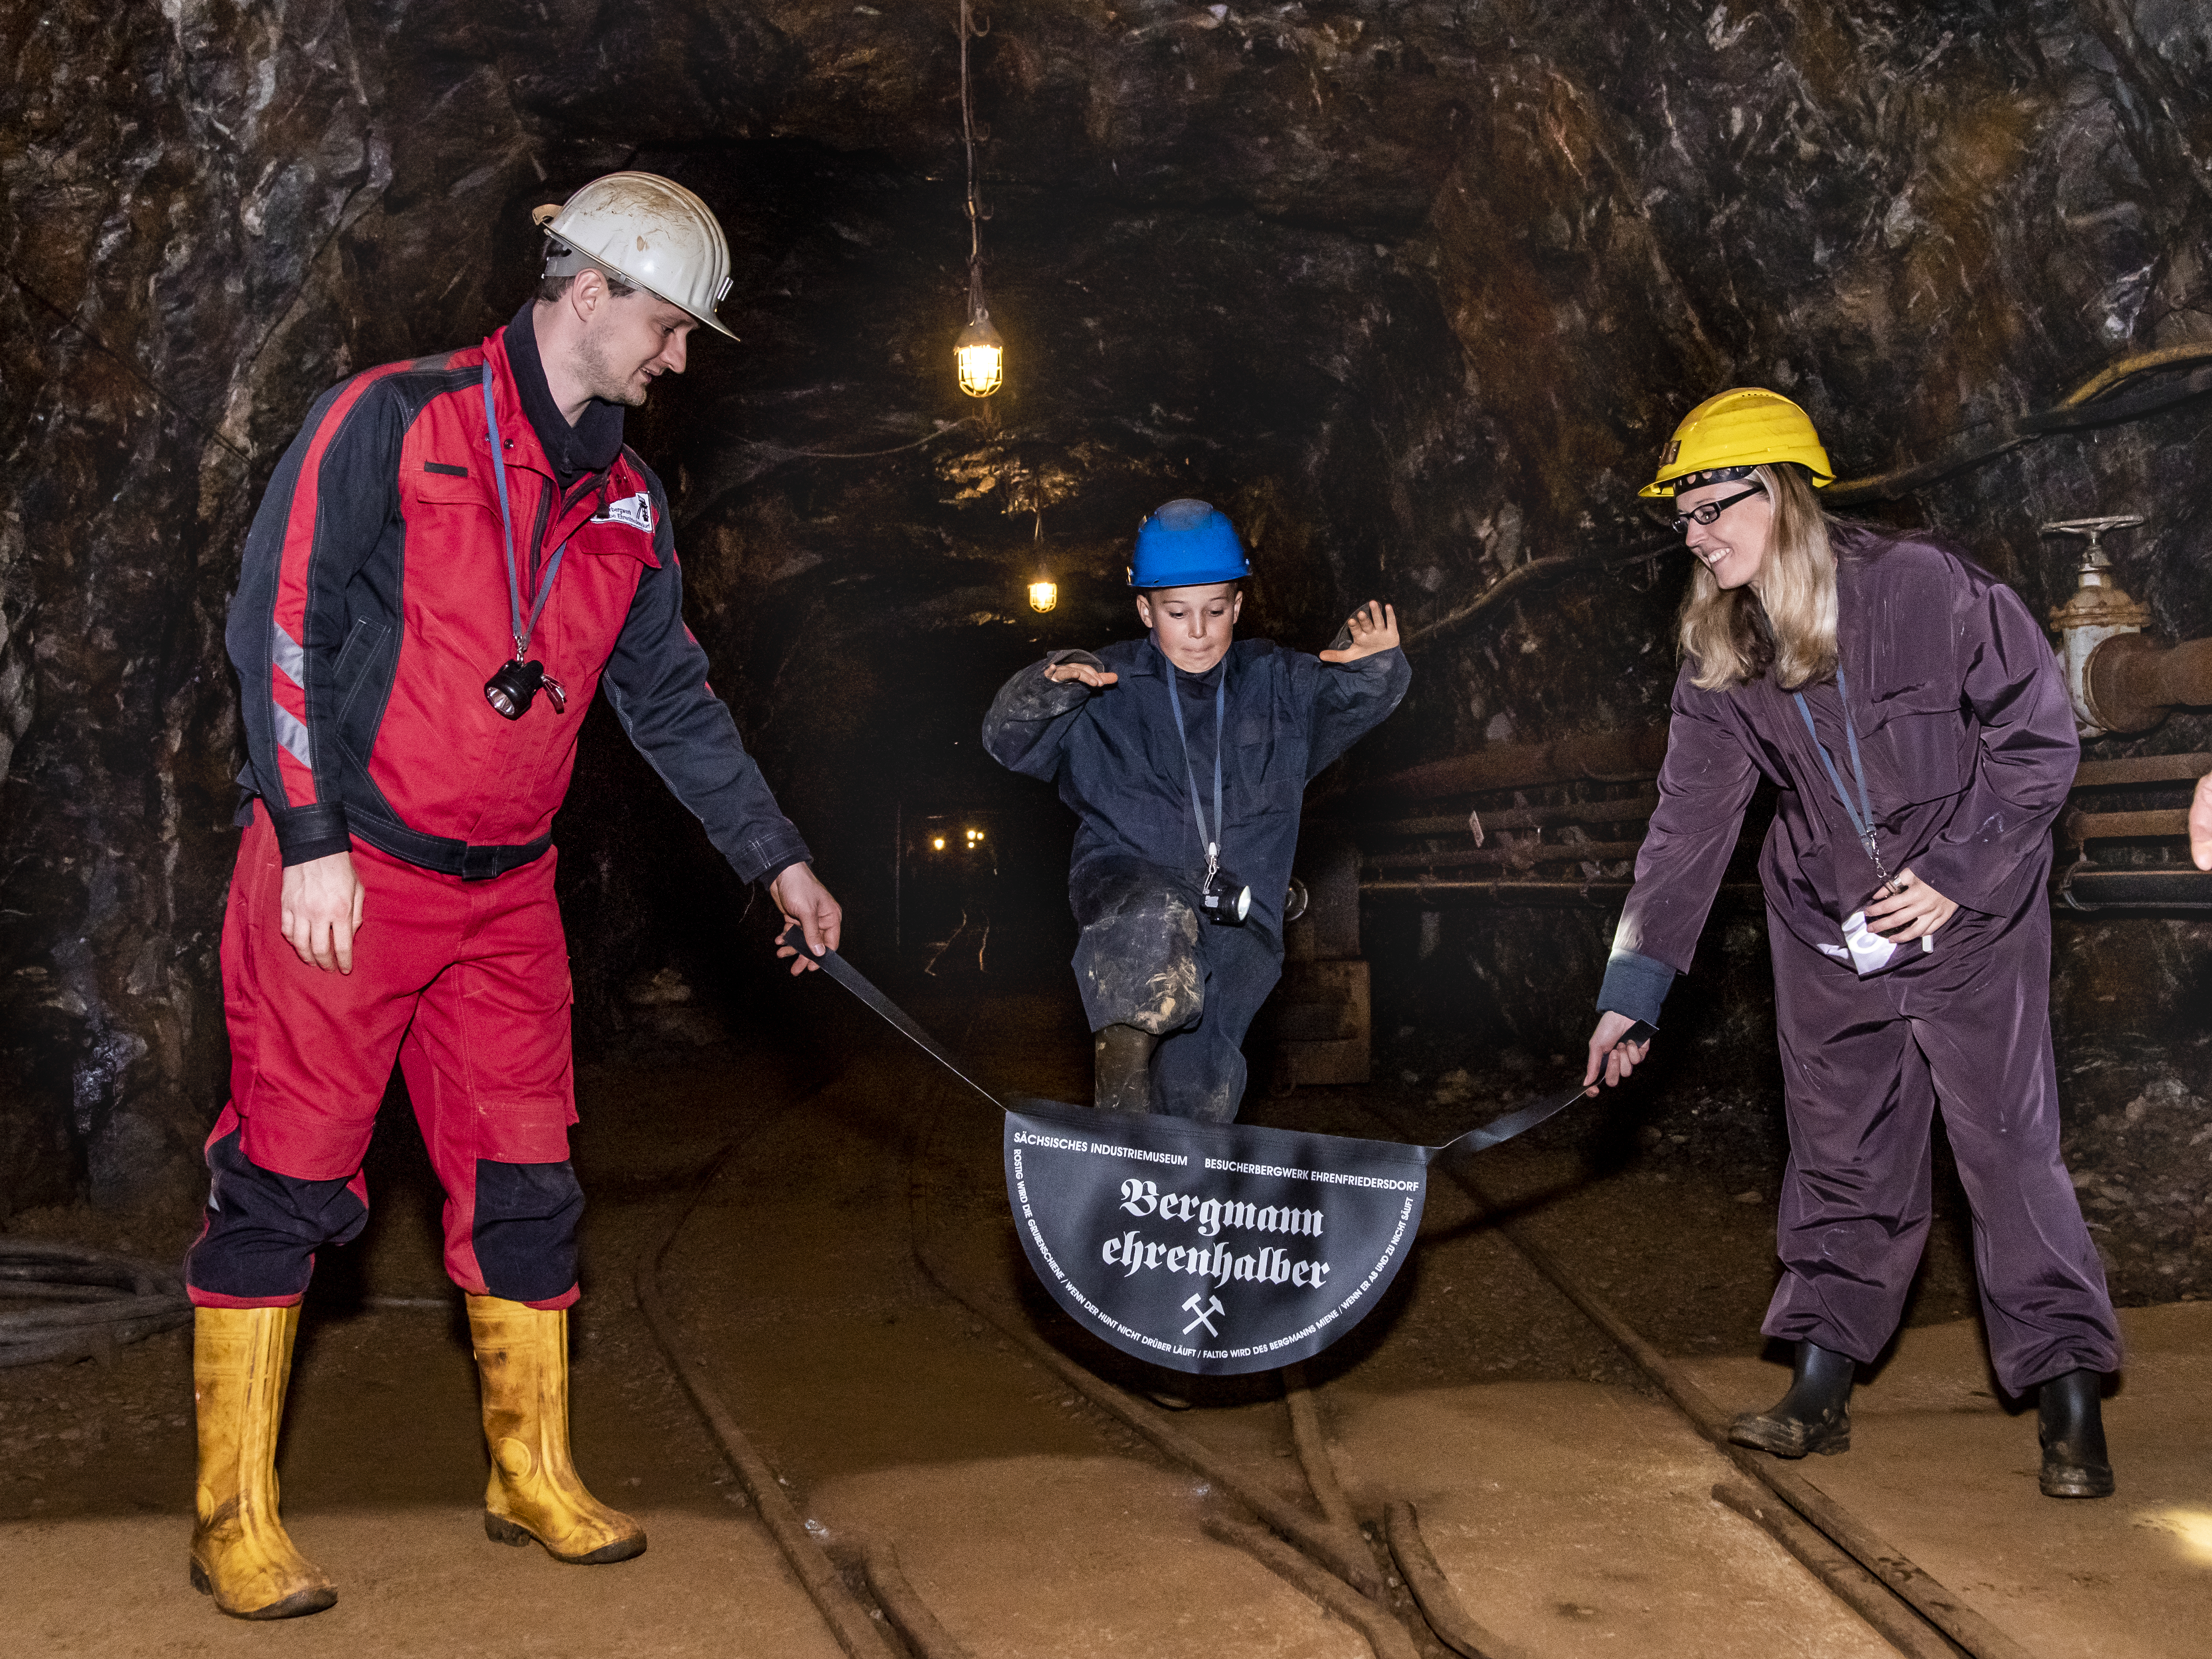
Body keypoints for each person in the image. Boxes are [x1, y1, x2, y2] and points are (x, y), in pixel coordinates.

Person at [181, 173, 844, 1619]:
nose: (676, 359)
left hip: (506, 898)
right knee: (287, 1179)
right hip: (347, 875)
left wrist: (774, 857)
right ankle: (233, 1518)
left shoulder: (624, 498)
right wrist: (307, 837)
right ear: (591, 292)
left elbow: (668, 695)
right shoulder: (394, 418)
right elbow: (275, 618)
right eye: (668, 326)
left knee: (530, 1180)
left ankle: (528, 1471)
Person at [1582, 389, 2121, 1499]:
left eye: (1710, 507)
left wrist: (1959, 874)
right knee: (1839, 1151)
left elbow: (2037, 738)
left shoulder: (1926, 589)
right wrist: (1631, 989)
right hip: (1826, 924)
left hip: (1968, 915)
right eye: (1681, 516)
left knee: (2007, 1146)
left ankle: (2069, 1394)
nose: (1694, 534)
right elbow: (1685, 826)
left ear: (1776, 493)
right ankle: (1818, 1385)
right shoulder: (1720, 647)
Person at [982, 499, 1408, 1122]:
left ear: (1237, 605)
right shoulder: (1106, 683)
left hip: (1241, 911)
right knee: (1153, 924)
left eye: (1216, 610)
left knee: (1200, 1082)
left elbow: (1345, 696)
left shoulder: (1276, 682)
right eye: (1178, 613)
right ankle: (1121, 1104)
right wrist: (1049, 686)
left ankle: (1181, 1186)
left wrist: (1374, 662)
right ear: (1145, 609)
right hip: (1127, 877)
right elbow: (1004, 739)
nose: (1199, 630)